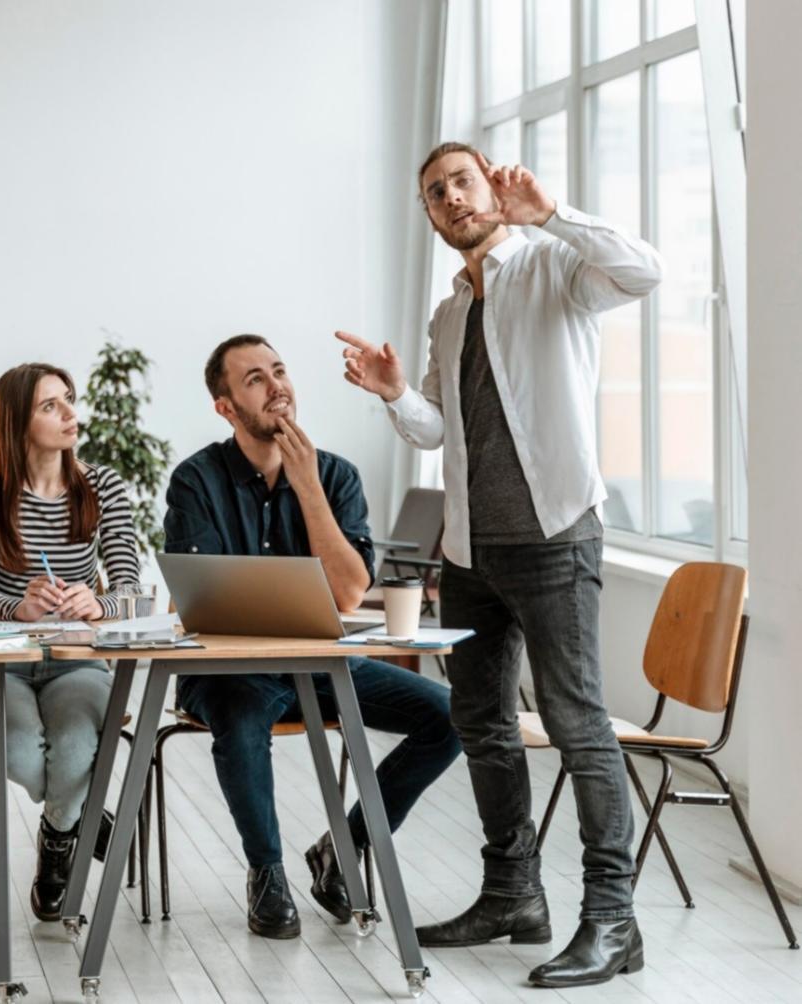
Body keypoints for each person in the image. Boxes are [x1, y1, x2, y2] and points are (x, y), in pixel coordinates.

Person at [336, 142, 663, 988]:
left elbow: (644, 272)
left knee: (576, 724)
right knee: (481, 724)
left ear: (492, 186)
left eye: (460, 182)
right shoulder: (450, 309)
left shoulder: (554, 266)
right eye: (433, 194)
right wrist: (391, 392)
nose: (448, 199)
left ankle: (612, 920)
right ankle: (512, 894)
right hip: (472, 551)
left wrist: (550, 215)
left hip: (556, 538)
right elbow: (437, 429)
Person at [163, 334, 461, 940]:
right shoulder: (195, 480)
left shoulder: (335, 476)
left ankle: (344, 848)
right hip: (226, 671)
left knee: (451, 716)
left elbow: (349, 593)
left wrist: (309, 490)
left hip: (320, 665)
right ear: (226, 406)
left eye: (279, 371)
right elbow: (202, 602)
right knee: (243, 716)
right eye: (254, 379)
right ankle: (266, 873)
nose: (277, 386)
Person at [0, 362, 141, 920]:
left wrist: (97, 603)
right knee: (20, 753)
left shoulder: (103, 485)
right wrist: (19, 606)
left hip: (77, 661)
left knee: (80, 750)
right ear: (17, 421)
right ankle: (78, 817)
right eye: (50, 406)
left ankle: (56, 845)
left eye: (69, 401)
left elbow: (129, 587)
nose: (70, 415)